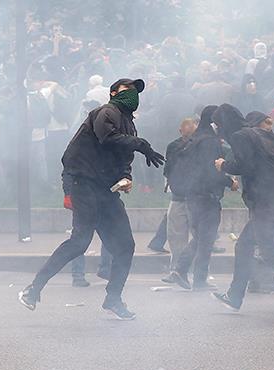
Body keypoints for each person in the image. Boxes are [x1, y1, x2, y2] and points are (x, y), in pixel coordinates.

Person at [18, 78, 166, 320]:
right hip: (84, 184)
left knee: (125, 246)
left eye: (136, 92)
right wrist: (141, 144)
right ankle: (34, 289)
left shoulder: (129, 125)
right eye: (127, 90)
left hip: (107, 190)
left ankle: (113, 298)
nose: (132, 95)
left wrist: (126, 177)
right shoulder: (105, 112)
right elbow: (107, 138)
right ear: (113, 92)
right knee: (80, 242)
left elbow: (123, 158)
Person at [211, 107, 274, 311]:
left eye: (218, 124)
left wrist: (224, 165)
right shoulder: (259, 133)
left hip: (265, 202)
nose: (217, 129)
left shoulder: (240, 136)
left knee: (269, 251)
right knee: (244, 246)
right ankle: (234, 296)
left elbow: (246, 166)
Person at [163, 111, 233, 290]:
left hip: (193, 195)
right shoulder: (209, 141)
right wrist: (228, 181)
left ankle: (180, 270)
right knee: (205, 239)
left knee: (201, 238)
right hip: (206, 196)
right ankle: (198, 280)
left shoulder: (196, 140)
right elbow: (210, 170)